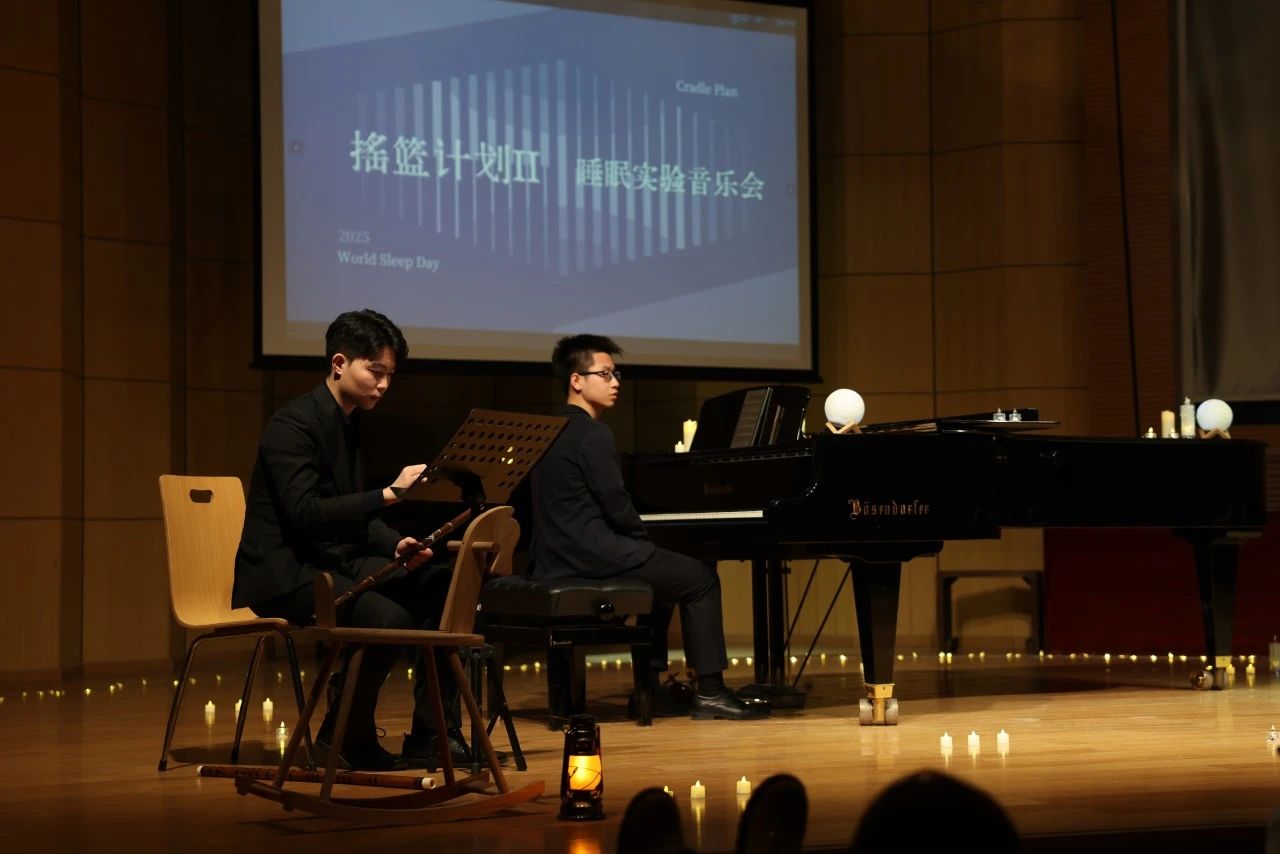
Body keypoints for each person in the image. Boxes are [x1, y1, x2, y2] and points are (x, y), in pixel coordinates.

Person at [233, 308, 466, 771]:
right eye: (375, 371)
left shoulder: (348, 422)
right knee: (388, 617)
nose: (384, 384)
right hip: (285, 571)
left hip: (329, 558)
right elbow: (304, 513)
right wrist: (388, 494)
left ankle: (431, 734)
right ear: (339, 363)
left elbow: (349, 515)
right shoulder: (292, 425)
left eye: (390, 375)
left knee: (440, 586)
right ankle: (343, 735)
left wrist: (393, 544)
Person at [529, 334, 765, 720]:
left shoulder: (547, 430)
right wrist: (642, 541)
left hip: (554, 558)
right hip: (595, 557)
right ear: (576, 380)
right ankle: (711, 692)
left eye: (616, 374)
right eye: (605, 374)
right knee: (701, 578)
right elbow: (616, 504)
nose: (615, 382)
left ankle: (650, 687)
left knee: (665, 574)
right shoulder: (594, 434)